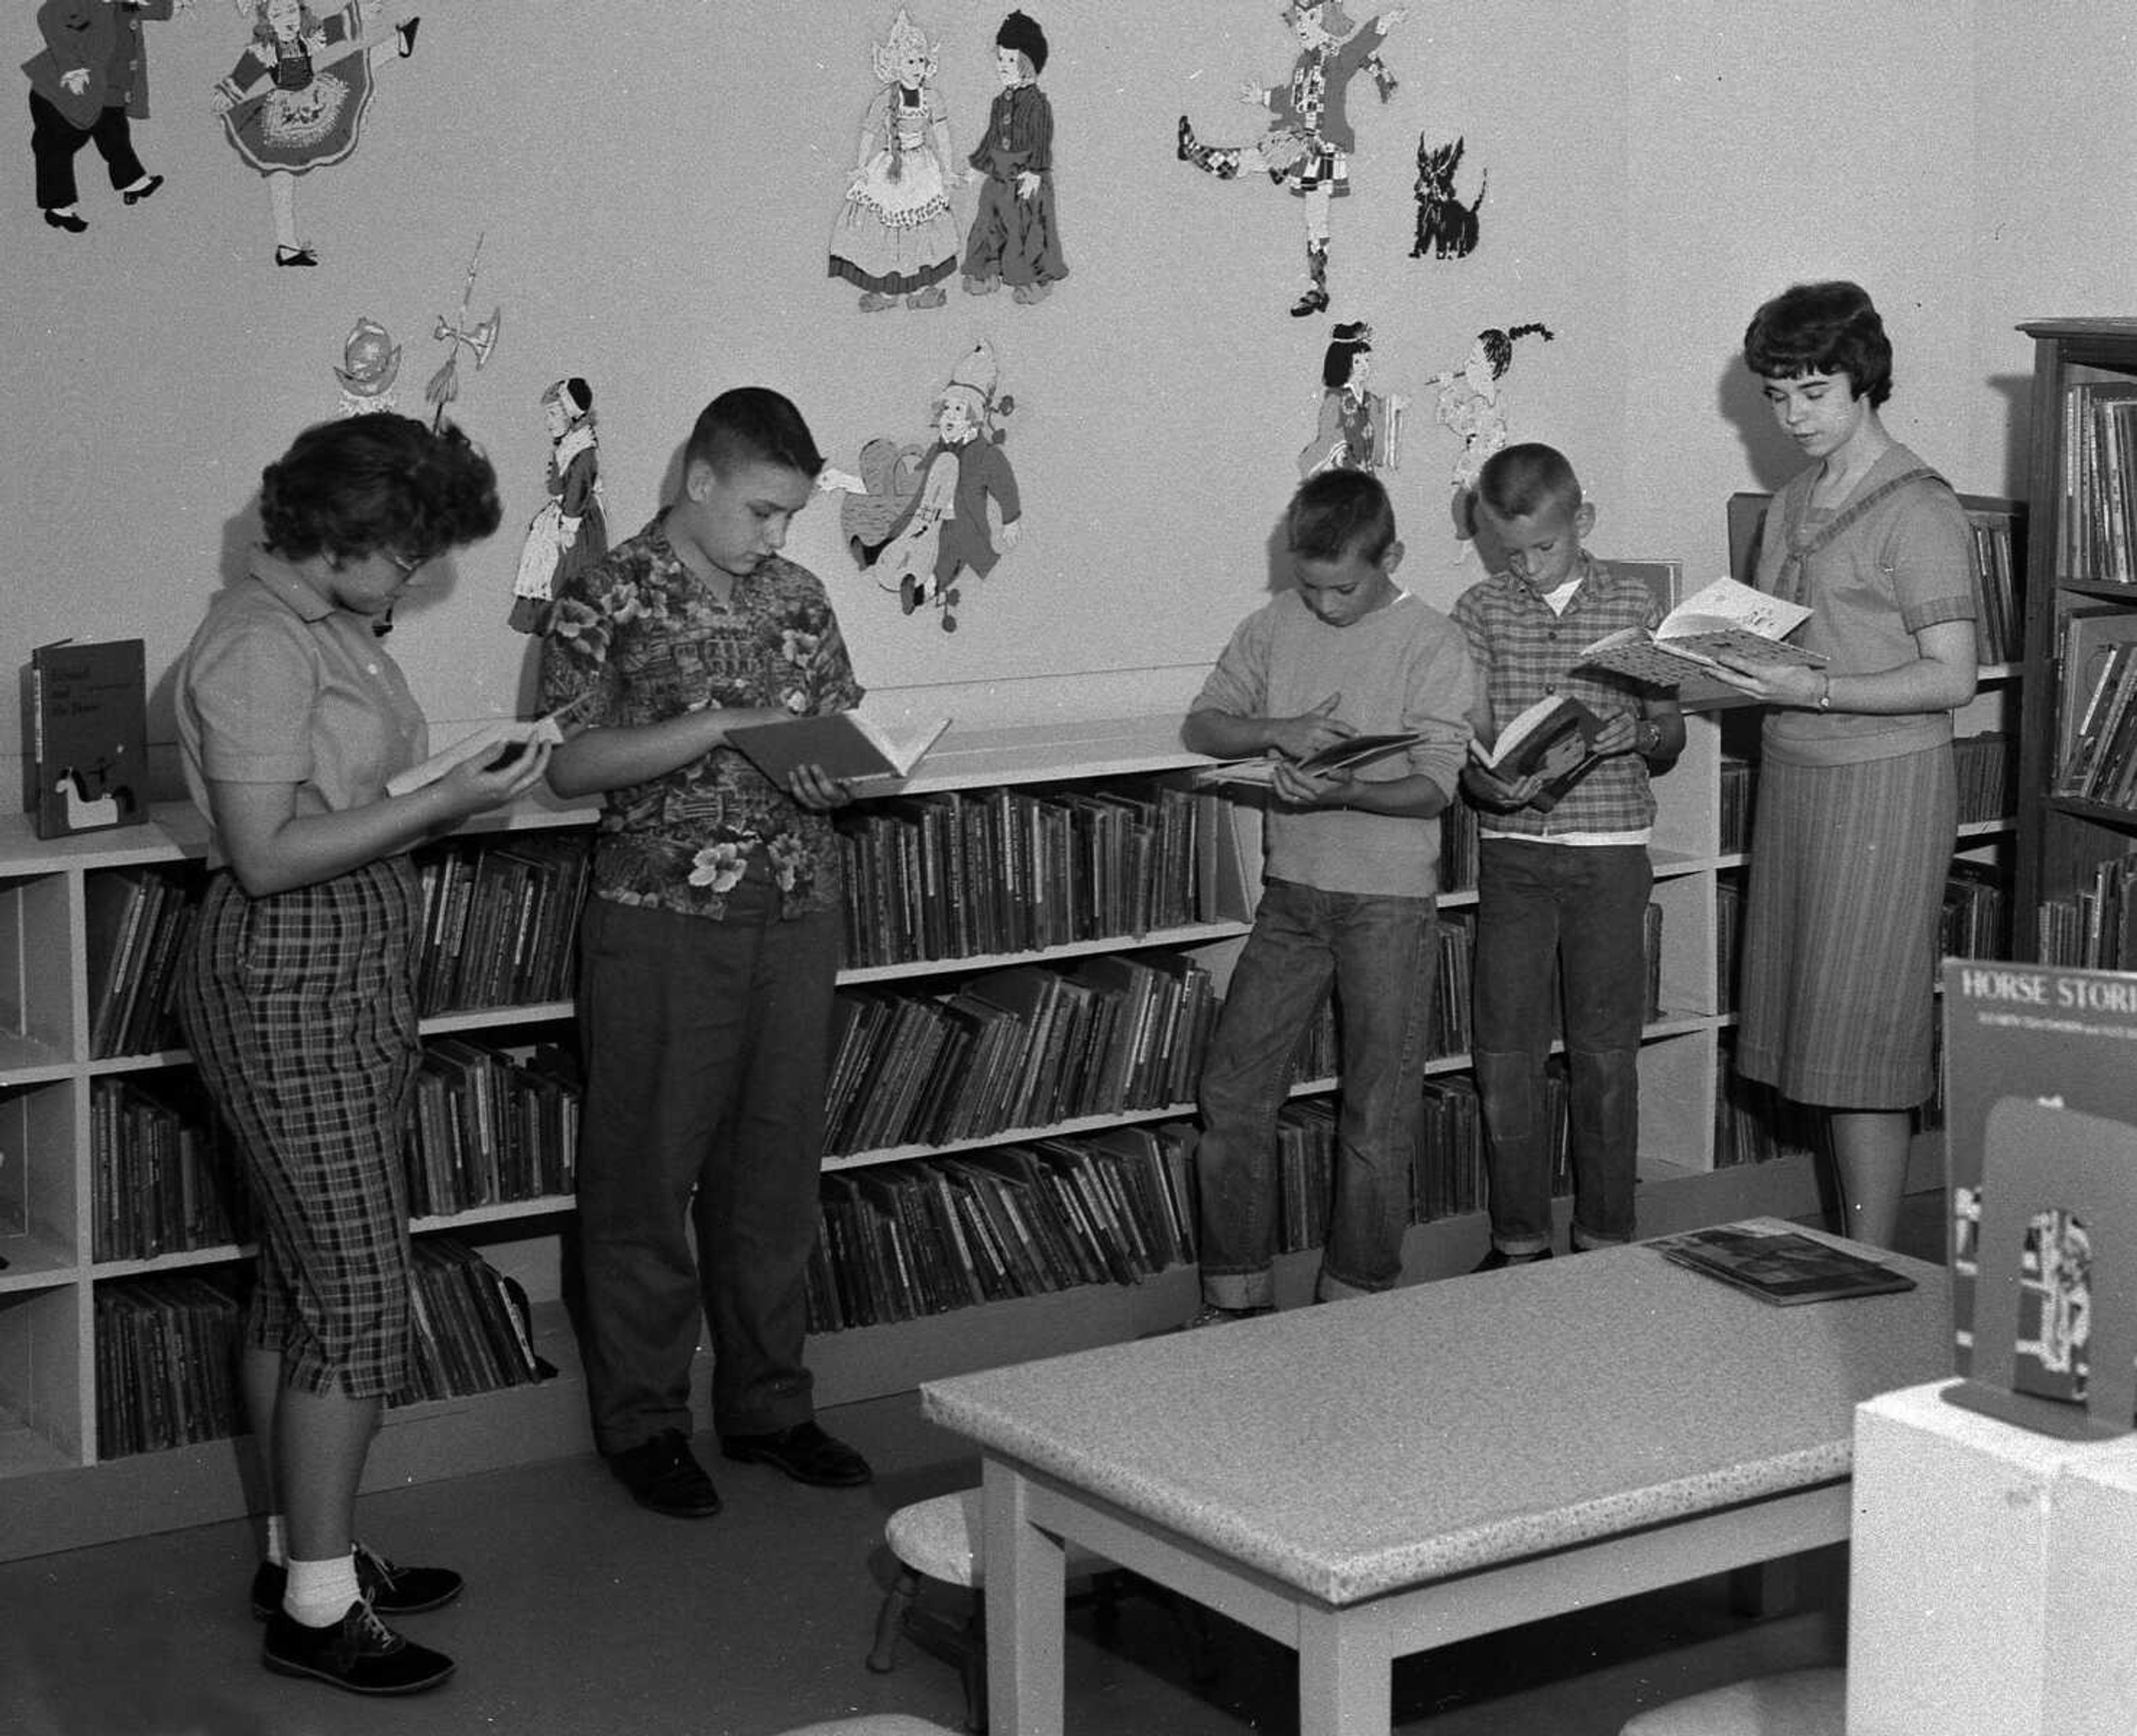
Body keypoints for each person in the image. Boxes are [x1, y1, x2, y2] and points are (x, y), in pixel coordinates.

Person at [175, 413, 546, 1696]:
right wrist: (444, 800)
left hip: (345, 969)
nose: (414, 582)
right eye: (409, 557)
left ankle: (302, 1560)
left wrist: (450, 780)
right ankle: (317, 1614)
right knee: (356, 1294)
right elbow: (269, 854)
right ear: (347, 536)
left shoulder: (324, 630)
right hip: (285, 973)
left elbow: (342, 809)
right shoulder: (255, 645)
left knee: (298, 1281)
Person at [538, 387, 874, 1517]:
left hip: (797, 905)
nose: (778, 536)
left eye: (790, 515)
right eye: (764, 510)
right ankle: (643, 1423)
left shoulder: (800, 595)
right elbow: (571, 766)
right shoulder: (606, 589)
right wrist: (716, 725)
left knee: (775, 1177)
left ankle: (771, 1406)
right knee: (645, 1176)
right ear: (699, 479)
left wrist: (836, 772)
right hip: (661, 917)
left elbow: (838, 731)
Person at [1717, 280, 1978, 1249]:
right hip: (1797, 776)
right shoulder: (1787, 502)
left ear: (1865, 381)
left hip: (1883, 784)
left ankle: (1873, 1262)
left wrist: (1813, 690)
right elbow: (1771, 643)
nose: (1792, 417)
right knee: (1814, 1027)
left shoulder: (1920, 509)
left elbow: (1950, 679)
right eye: (1778, 395)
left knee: (1864, 1029)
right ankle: (1843, 1252)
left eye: (1813, 393)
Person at [1181, 467, 1476, 1323]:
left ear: (1392, 557)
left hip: (1387, 902)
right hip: (1292, 894)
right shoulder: (1276, 623)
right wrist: (1279, 730)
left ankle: (1356, 1303)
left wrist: (1345, 789)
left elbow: (1434, 788)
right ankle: (1235, 1301)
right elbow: (1205, 725)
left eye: (1343, 586)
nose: (1325, 605)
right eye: (1308, 586)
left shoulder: (1432, 641)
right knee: (1234, 1095)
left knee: (1376, 1113)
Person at [1454, 442, 1685, 1268]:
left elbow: (1671, 733)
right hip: (1515, 854)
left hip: (1610, 852)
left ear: (1581, 522)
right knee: (1506, 1054)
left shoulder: (1632, 603)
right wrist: (1486, 785)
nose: (1525, 566)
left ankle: (1606, 1240)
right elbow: (1467, 737)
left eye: (1542, 547)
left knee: (1604, 1055)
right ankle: (1518, 1241)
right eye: (1508, 551)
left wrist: (1643, 732)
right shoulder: (1480, 609)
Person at [1175, 1, 1404, 317]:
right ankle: (1198, 155)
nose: (1300, 28)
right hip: (1295, 139)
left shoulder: (1337, 59)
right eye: (1297, 22)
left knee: (1316, 218)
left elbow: (1360, 46)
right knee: (1256, 159)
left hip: (1322, 148)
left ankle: (1318, 287)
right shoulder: (1302, 62)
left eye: (1308, 20)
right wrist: (1263, 98)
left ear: (1326, 21)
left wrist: (1384, 22)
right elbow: (1290, 97)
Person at [829, 6, 961, 313]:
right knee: (888, 229)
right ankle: (888, 292)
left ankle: (925, 289)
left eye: (920, 61)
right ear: (896, 65)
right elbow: (869, 131)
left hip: (922, 169)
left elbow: (942, 136)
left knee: (924, 228)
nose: (916, 67)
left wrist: (948, 170)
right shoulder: (885, 99)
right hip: (891, 168)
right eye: (910, 61)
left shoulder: (932, 98)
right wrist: (862, 167)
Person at [24, 0, 173, 233]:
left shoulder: (125, 4)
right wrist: (72, 68)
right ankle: (58, 207)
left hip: (106, 91)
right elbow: (48, 16)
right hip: (62, 93)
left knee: (115, 136)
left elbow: (158, 8)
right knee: (58, 146)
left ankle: (133, 181)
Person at [962, 9, 1067, 305]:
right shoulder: (999, 102)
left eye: (1011, 60)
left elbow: (1042, 140)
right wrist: (977, 166)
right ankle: (986, 272)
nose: (1003, 66)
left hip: (1025, 177)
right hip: (998, 174)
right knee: (988, 222)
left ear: (1028, 64)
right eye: (1001, 59)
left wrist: (1036, 171)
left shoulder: (1038, 104)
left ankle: (1032, 281)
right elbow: (991, 137)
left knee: (1026, 229)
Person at [508, 377, 607, 634]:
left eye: (553, 414)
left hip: (577, 524)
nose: (548, 421)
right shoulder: (567, 447)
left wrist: (569, 526)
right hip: (562, 514)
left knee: (565, 572)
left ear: (570, 414)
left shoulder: (583, 450)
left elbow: (578, 490)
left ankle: (563, 622)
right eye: (548, 414)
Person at [1298, 319, 1402, 478]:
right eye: (1358, 362)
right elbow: (1328, 436)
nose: (1365, 367)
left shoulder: (1369, 399)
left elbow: (1381, 420)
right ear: (1343, 363)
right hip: (1343, 475)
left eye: (1367, 360)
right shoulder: (1335, 399)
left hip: (1366, 475)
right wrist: (1339, 451)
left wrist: (1393, 407)